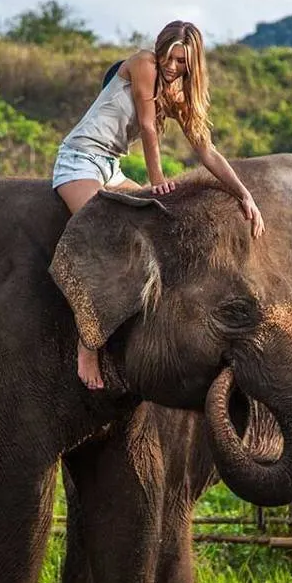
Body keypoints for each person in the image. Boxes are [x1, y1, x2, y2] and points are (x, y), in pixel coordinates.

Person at [53, 20, 265, 390]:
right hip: (81, 159)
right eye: (169, 56)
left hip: (111, 168)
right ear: (159, 48)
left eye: (181, 62)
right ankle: (87, 346)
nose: (171, 66)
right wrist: (156, 180)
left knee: (162, 226)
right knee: (107, 240)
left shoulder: (178, 94)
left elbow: (206, 150)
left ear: (192, 64)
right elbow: (148, 127)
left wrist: (243, 193)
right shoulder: (143, 64)